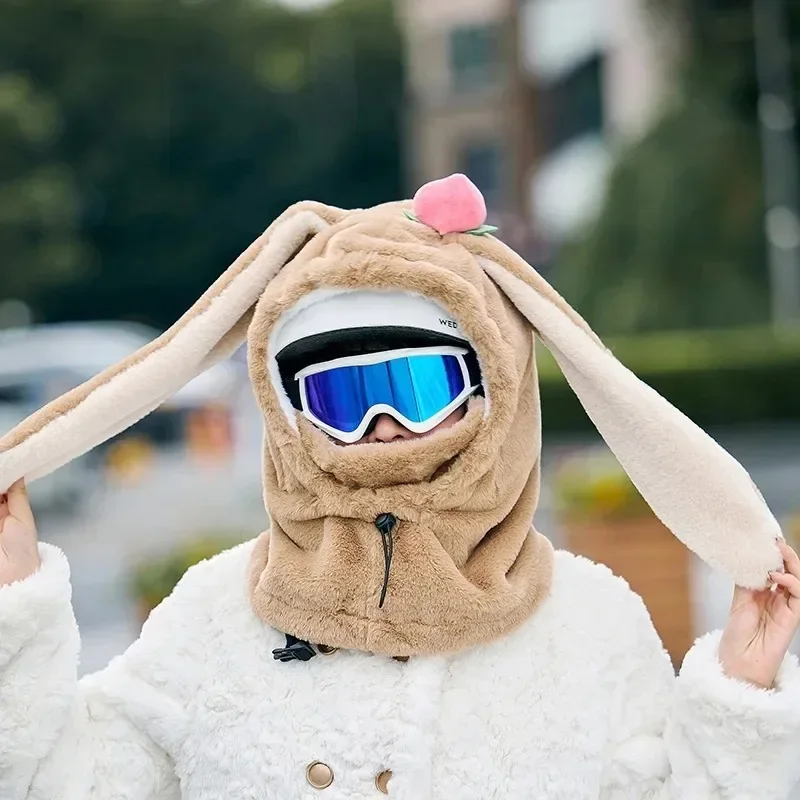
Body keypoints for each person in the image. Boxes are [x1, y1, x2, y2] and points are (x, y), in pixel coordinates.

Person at [1, 173, 799, 799]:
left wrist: (739, 698)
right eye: (341, 400)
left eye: (417, 389)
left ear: (494, 388)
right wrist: (15, 610)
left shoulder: (590, 625)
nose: (381, 427)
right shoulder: (214, 617)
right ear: (288, 415)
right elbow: (58, 786)